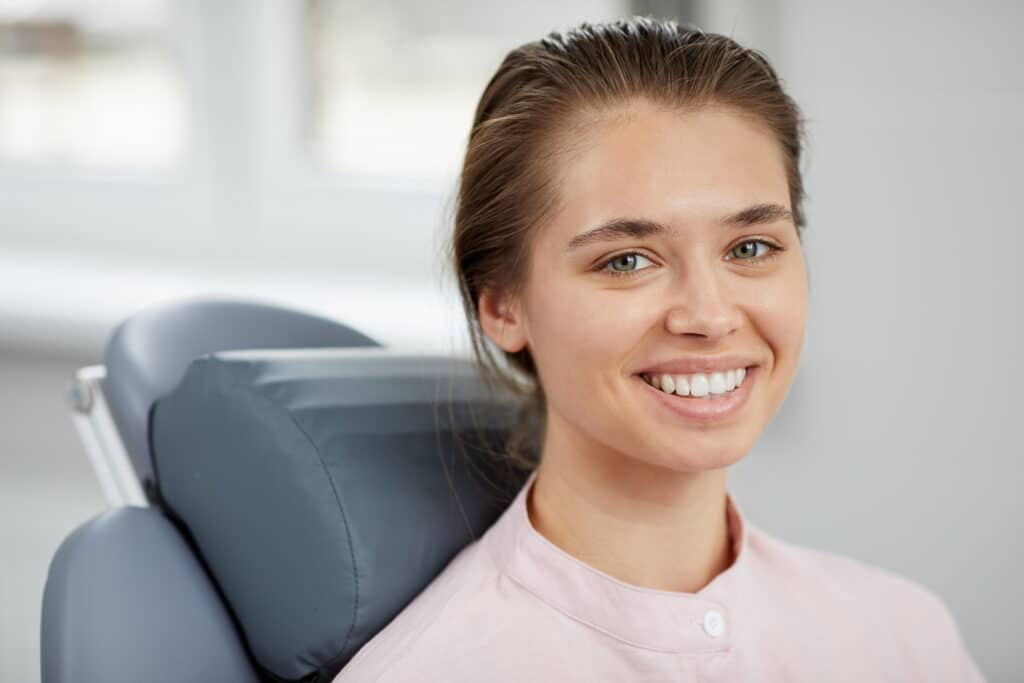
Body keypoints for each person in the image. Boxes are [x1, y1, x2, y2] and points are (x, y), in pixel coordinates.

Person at [334, 17, 985, 682]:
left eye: (751, 247)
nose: (709, 314)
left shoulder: (903, 637)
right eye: (626, 260)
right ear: (502, 303)